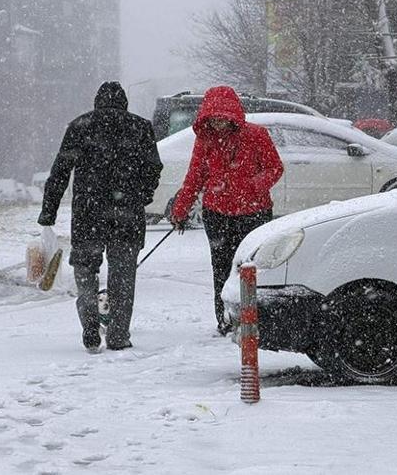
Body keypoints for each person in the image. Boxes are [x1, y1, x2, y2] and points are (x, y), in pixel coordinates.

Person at [38, 81, 162, 352]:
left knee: (85, 271)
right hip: (127, 214)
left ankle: (90, 325)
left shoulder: (79, 126)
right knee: (123, 276)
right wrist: (140, 196)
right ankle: (118, 335)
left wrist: (48, 213)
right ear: (125, 104)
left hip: (88, 214)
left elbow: (60, 172)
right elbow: (153, 169)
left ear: (97, 102)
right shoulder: (140, 128)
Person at [170, 86, 283, 336]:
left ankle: (253, 318)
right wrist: (181, 209)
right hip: (217, 213)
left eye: (222, 118)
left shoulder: (256, 135)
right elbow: (194, 177)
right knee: (221, 267)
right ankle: (226, 319)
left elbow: (275, 168)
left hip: (254, 213)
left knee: (251, 268)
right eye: (213, 119)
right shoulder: (205, 140)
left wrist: (252, 186)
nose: (218, 123)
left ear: (233, 115)